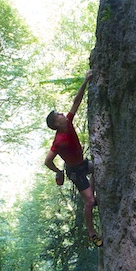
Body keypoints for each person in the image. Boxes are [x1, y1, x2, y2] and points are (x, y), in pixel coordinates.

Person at [45, 71, 103, 247]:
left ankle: (91, 192)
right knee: (90, 202)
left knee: (98, 168)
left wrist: (85, 81)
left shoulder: (68, 123)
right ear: (56, 123)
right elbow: (47, 161)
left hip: (83, 165)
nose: (63, 114)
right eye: (59, 115)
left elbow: (76, 101)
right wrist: (58, 171)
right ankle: (92, 234)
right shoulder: (59, 141)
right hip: (74, 171)